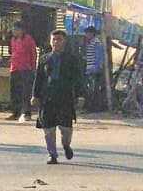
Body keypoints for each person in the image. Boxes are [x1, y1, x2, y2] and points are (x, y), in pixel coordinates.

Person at [31, 30, 85, 165]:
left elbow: (78, 79)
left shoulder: (71, 59)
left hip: (65, 98)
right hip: (47, 98)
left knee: (66, 129)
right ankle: (52, 154)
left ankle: (66, 146)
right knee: (48, 128)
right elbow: (38, 78)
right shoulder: (44, 59)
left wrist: (80, 96)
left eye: (59, 39)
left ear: (64, 41)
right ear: (50, 41)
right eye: (54, 39)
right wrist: (35, 95)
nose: (56, 42)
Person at [7, 21, 38, 122]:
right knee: (15, 91)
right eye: (13, 29)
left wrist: (33, 66)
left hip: (26, 68)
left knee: (26, 92)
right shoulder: (12, 40)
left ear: (21, 30)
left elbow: (33, 53)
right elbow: (13, 52)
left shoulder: (28, 39)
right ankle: (15, 112)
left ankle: (26, 112)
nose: (14, 31)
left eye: (16, 29)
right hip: (14, 68)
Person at [81, 26, 106, 112]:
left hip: (94, 70)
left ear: (92, 34)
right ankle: (91, 107)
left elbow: (99, 57)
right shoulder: (89, 43)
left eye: (87, 33)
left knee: (93, 89)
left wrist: (96, 68)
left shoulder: (96, 43)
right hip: (89, 69)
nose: (86, 35)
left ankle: (92, 108)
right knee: (90, 89)